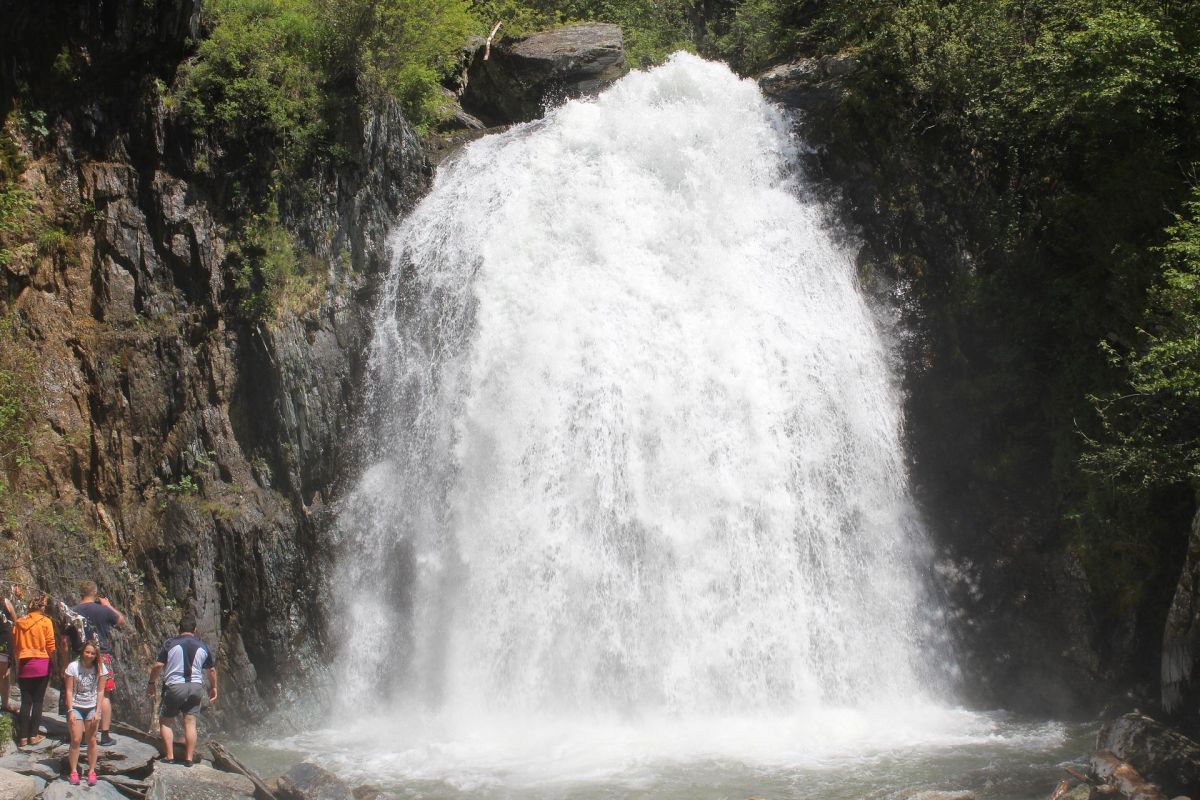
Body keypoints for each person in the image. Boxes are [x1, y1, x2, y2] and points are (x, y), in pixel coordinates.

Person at [147, 615, 216, 766]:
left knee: (165, 722)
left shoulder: (171, 643)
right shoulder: (202, 646)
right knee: (190, 723)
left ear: (179, 629)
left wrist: (152, 682)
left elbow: (158, 666)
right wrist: (214, 687)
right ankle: (189, 759)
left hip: (175, 686)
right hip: (196, 687)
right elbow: (211, 670)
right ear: (195, 630)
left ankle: (170, 757)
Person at [68, 581, 124, 746]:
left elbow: (64, 640)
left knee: (78, 691)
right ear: (95, 593)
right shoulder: (103, 610)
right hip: (101, 655)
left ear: (81, 593)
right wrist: (108, 605)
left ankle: (82, 734)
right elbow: (120, 620)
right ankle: (104, 735)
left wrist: (64, 662)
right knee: (104, 693)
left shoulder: (73, 611)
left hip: (80, 654)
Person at [13, 594, 56, 747]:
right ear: (41, 607)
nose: (45, 608)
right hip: (41, 663)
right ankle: (33, 735)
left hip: (25, 663)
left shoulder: (19, 622)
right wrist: (55, 665)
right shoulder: (46, 622)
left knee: (26, 702)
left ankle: (22, 738)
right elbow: (50, 645)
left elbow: (16, 643)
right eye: (44, 606)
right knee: (38, 702)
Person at [64, 641, 108, 786]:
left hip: (91, 707)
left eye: (93, 653)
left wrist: (98, 711)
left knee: (92, 740)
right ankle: (74, 771)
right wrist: (70, 710)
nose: (89, 655)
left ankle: (91, 771)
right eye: (87, 652)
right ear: (82, 652)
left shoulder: (100, 668)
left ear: (96, 655)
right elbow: (69, 690)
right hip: (76, 706)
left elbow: (101, 690)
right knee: (76, 739)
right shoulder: (73, 667)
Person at [0, 594, 18, 714]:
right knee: (4, 674)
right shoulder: (5, 602)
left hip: (4, 642)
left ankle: (5, 703)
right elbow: (15, 621)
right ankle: (5, 704)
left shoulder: (5, 602)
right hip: (5, 642)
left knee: (5, 674)